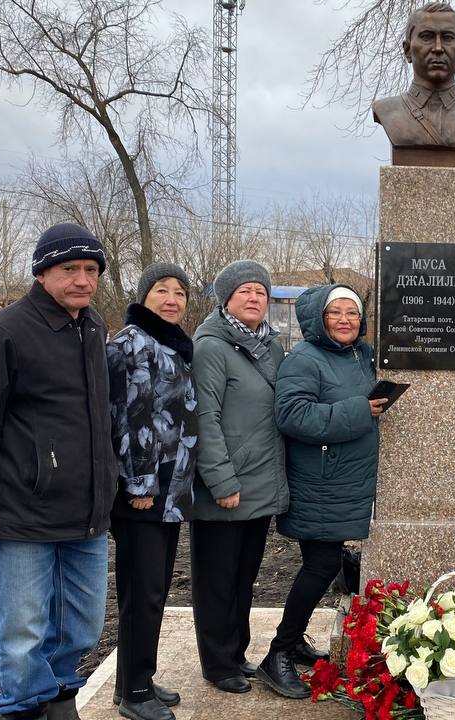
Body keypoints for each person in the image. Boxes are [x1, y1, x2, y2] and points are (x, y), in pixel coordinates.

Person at [0, 222, 115, 720]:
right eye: (70, 269)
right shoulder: (5, 332)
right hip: (23, 513)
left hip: (85, 513)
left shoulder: (93, 326)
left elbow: (95, 419)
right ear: (42, 274)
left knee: (82, 625)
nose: (82, 280)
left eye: (91, 270)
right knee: (23, 632)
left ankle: (59, 700)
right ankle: (22, 708)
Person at [257, 283, 383, 699]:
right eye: (336, 313)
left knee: (323, 563)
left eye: (352, 312)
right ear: (318, 319)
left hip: (349, 478)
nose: (345, 320)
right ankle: (277, 653)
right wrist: (358, 411)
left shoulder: (360, 354)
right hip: (321, 480)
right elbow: (292, 415)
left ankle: (291, 643)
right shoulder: (305, 359)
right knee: (322, 564)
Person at [190, 260, 288, 695]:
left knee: (243, 576)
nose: (254, 298)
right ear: (226, 298)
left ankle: (235, 652)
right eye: (245, 291)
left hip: (260, 483)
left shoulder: (270, 347)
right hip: (226, 485)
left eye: (261, 292)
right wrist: (221, 480)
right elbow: (203, 417)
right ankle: (216, 662)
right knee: (217, 579)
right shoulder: (210, 347)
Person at [104, 263, 197, 720]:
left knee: (153, 590)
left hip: (168, 487)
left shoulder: (170, 344)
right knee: (142, 593)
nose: (172, 299)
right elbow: (129, 415)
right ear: (144, 297)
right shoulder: (131, 343)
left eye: (179, 292)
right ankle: (135, 695)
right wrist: (139, 483)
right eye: (162, 290)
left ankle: (135, 681)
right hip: (144, 489)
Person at [371, 2, 455, 153]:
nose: (438, 48)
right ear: (408, 50)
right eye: (426, 37)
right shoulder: (387, 111)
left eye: (447, 37)